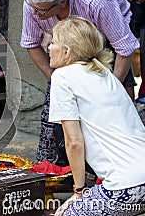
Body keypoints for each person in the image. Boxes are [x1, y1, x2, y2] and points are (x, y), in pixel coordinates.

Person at [21, 0, 139, 167]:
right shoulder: (33, 2)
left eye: (40, 10)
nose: (33, 12)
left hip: (107, 41)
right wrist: (55, 79)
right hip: (68, 45)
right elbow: (31, 43)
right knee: (57, 112)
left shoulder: (97, 1)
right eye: (32, 6)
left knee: (106, 111)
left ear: (62, 2)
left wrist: (109, 90)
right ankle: (59, 167)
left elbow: (125, 47)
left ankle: (106, 168)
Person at [48, 17, 145, 216]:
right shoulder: (104, 72)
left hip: (124, 187)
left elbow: (74, 142)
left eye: (53, 42)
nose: (49, 47)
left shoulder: (62, 76)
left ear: (66, 51)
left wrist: (79, 190)